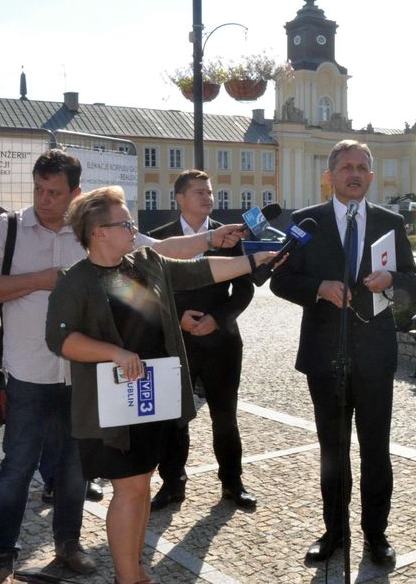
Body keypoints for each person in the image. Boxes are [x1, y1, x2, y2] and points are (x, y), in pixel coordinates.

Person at [0, 149, 243, 584]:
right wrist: (40, 279)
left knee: (77, 470)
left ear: (76, 194)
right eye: (39, 190)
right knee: (18, 464)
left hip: (90, 380)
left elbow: (162, 253)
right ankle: (2, 553)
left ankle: (69, 546)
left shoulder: (99, 235)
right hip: (32, 371)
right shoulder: (11, 228)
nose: (44, 200)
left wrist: (212, 240)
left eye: (55, 192)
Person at [44, 186, 279, 584]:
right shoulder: (76, 281)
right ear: (98, 231)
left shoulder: (145, 263)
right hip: (112, 406)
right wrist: (113, 352)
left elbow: (202, 270)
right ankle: (127, 577)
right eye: (125, 223)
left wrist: (254, 259)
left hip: (149, 397)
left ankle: (134, 567)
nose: (134, 229)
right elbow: (60, 340)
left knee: (140, 486)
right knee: (129, 490)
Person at [270, 140, 416, 567]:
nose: (354, 174)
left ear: (370, 177)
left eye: (361, 168)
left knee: (376, 450)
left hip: (375, 354)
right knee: (332, 450)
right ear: (330, 175)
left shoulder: (391, 222)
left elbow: (413, 282)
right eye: (346, 167)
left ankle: (376, 535)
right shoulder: (305, 222)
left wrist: (391, 279)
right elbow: (280, 281)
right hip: (325, 355)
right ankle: (334, 532)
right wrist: (318, 288)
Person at [148, 170, 257, 511]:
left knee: (225, 416)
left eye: (209, 192)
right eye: (199, 192)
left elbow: (244, 288)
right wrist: (177, 316)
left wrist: (218, 319)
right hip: (174, 340)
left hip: (221, 340)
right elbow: (147, 291)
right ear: (179, 198)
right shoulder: (158, 239)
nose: (208, 197)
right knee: (173, 417)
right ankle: (172, 483)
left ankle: (232, 483)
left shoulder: (230, 237)